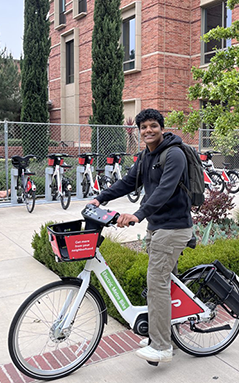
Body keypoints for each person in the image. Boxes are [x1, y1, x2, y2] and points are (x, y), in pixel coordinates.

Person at [89, 108, 193, 364]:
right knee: (165, 282)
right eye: (143, 127)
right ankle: (170, 336)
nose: (148, 130)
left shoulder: (175, 154)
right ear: (139, 131)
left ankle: (161, 346)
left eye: (153, 126)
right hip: (158, 227)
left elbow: (165, 190)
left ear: (161, 127)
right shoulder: (146, 156)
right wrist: (100, 198)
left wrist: (139, 213)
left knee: (156, 282)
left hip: (174, 227)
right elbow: (127, 182)